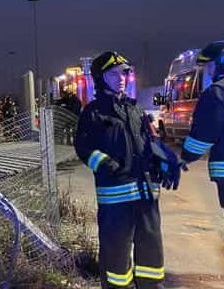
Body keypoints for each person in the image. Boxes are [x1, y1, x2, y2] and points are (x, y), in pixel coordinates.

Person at [75, 51, 180, 288]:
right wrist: (105, 165)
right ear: (100, 79)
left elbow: (151, 141)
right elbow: (84, 147)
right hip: (116, 199)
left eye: (123, 73)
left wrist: (166, 160)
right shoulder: (93, 113)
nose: (121, 77)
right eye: (113, 74)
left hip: (146, 195)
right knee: (116, 256)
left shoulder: (136, 110)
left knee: (151, 253)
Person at [180, 41, 224, 259]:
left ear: (219, 64)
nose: (207, 72)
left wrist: (184, 158)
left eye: (208, 66)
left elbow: (202, 137)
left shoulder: (218, 92)